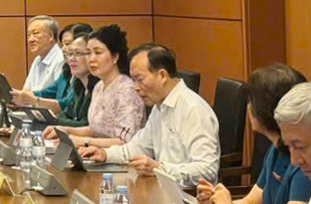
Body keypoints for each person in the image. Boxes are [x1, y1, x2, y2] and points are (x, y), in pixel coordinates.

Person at [80, 43, 219, 187]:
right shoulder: (159, 107)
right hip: (163, 190)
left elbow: (207, 170)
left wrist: (160, 169)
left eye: (139, 79)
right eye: (133, 80)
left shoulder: (193, 109)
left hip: (188, 196)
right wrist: (105, 154)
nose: (135, 87)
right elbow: (137, 147)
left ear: (162, 75)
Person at [197, 64, 311, 204]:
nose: (248, 107)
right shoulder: (275, 149)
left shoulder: (304, 161)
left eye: (252, 101)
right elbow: (251, 203)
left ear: (266, 109)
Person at [54, 25, 144, 149]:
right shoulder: (99, 86)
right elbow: (95, 130)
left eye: (98, 53)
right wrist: (65, 130)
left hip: (120, 158)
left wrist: (84, 141)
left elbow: (126, 141)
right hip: (96, 154)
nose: (91, 59)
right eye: (88, 53)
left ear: (115, 57)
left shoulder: (127, 90)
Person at [15, 23, 93, 117]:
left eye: (68, 44)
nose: (63, 49)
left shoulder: (86, 80)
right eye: (62, 44)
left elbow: (67, 105)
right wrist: (19, 96)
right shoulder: (67, 72)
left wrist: (35, 101)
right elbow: (48, 92)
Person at [21, 16, 63, 93]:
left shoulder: (61, 59)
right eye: (29, 35)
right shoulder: (37, 59)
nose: (30, 40)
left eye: (35, 34)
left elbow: (59, 95)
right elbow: (26, 91)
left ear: (50, 36)